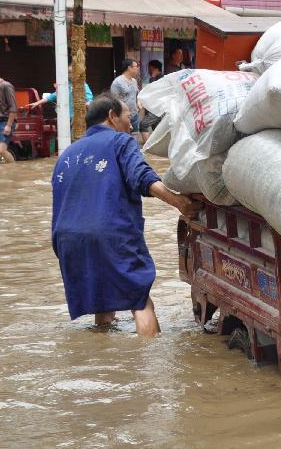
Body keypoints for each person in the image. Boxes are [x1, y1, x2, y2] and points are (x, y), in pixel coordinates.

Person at [51, 94, 199, 336]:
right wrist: (179, 202)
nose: (131, 125)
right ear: (111, 117)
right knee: (139, 298)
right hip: (110, 233)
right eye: (128, 117)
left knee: (102, 300)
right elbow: (142, 177)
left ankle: (107, 365)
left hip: (67, 240)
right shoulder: (120, 141)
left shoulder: (66, 155)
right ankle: (147, 361)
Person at [28, 62, 94, 123]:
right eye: (69, 72)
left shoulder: (83, 85)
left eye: (73, 72)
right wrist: (37, 103)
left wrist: (87, 104)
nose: (71, 75)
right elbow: (53, 96)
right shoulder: (65, 85)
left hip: (78, 119)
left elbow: (89, 98)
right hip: (65, 118)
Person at [0, 67, 18, 165]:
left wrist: (9, 125)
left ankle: (14, 169)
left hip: (6, 122)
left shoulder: (6, 86)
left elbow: (13, 107)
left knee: (1, 150)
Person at [111, 59, 142, 133]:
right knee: (124, 137)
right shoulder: (117, 82)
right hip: (123, 116)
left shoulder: (134, 81)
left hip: (134, 114)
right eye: (136, 66)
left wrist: (138, 103)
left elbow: (136, 94)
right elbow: (114, 101)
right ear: (129, 68)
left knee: (135, 136)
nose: (137, 68)